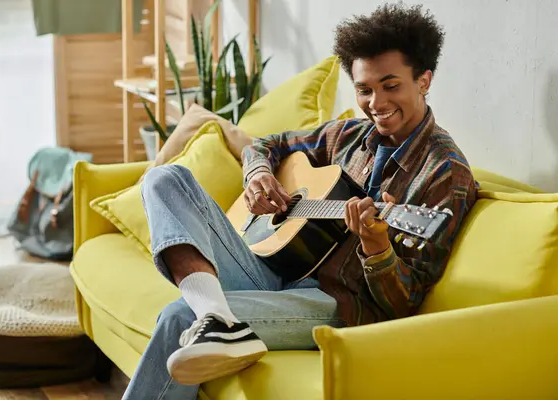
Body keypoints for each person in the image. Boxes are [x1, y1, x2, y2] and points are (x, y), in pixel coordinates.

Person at [122, 3, 478, 399]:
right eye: (364, 89)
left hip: (338, 303)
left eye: (390, 86)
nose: (376, 103)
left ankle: (211, 316)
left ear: (424, 81)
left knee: (178, 316)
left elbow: (403, 304)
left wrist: (377, 248)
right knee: (163, 178)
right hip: (276, 268)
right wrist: (257, 174)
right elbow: (266, 144)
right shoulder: (347, 136)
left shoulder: (446, 173)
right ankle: (218, 315)